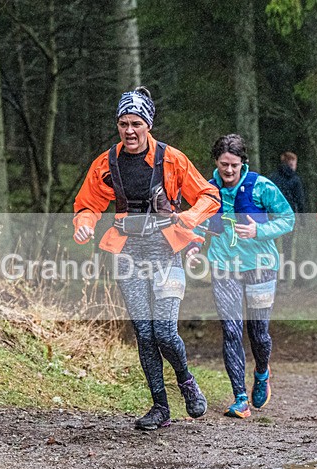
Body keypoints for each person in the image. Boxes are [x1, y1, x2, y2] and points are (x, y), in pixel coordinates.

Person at [73, 86, 220, 431]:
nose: (129, 130)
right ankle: (159, 407)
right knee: (144, 332)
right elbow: (88, 203)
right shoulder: (107, 163)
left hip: (167, 252)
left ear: (148, 124)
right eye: (123, 123)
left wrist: (190, 217)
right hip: (128, 255)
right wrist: (84, 224)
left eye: (136, 123)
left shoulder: (171, 159)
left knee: (165, 331)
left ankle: (185, 380)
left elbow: (209, 196)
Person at [187, 134, 295, 418]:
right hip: (224, 267)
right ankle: (239, 397)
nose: (229, 170)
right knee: (231, 329)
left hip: (261, 265)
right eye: (224, 164)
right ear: (216, 162)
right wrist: (194, 246)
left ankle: (261, 372)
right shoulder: (208, 190)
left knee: (258, 332)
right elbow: (198, 224)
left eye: (234, 165)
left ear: (242, 162)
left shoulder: (261, 186)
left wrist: (259, 231)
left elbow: (288, 219)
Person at [268, 151, 305, 262]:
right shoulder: (295, 180)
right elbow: (300, 200)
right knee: (287, 246)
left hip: (273, 215)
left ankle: (271, 269)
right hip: (288, 216)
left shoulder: (272, 178)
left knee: (271, 243)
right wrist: (303, 220)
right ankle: (286, 273)